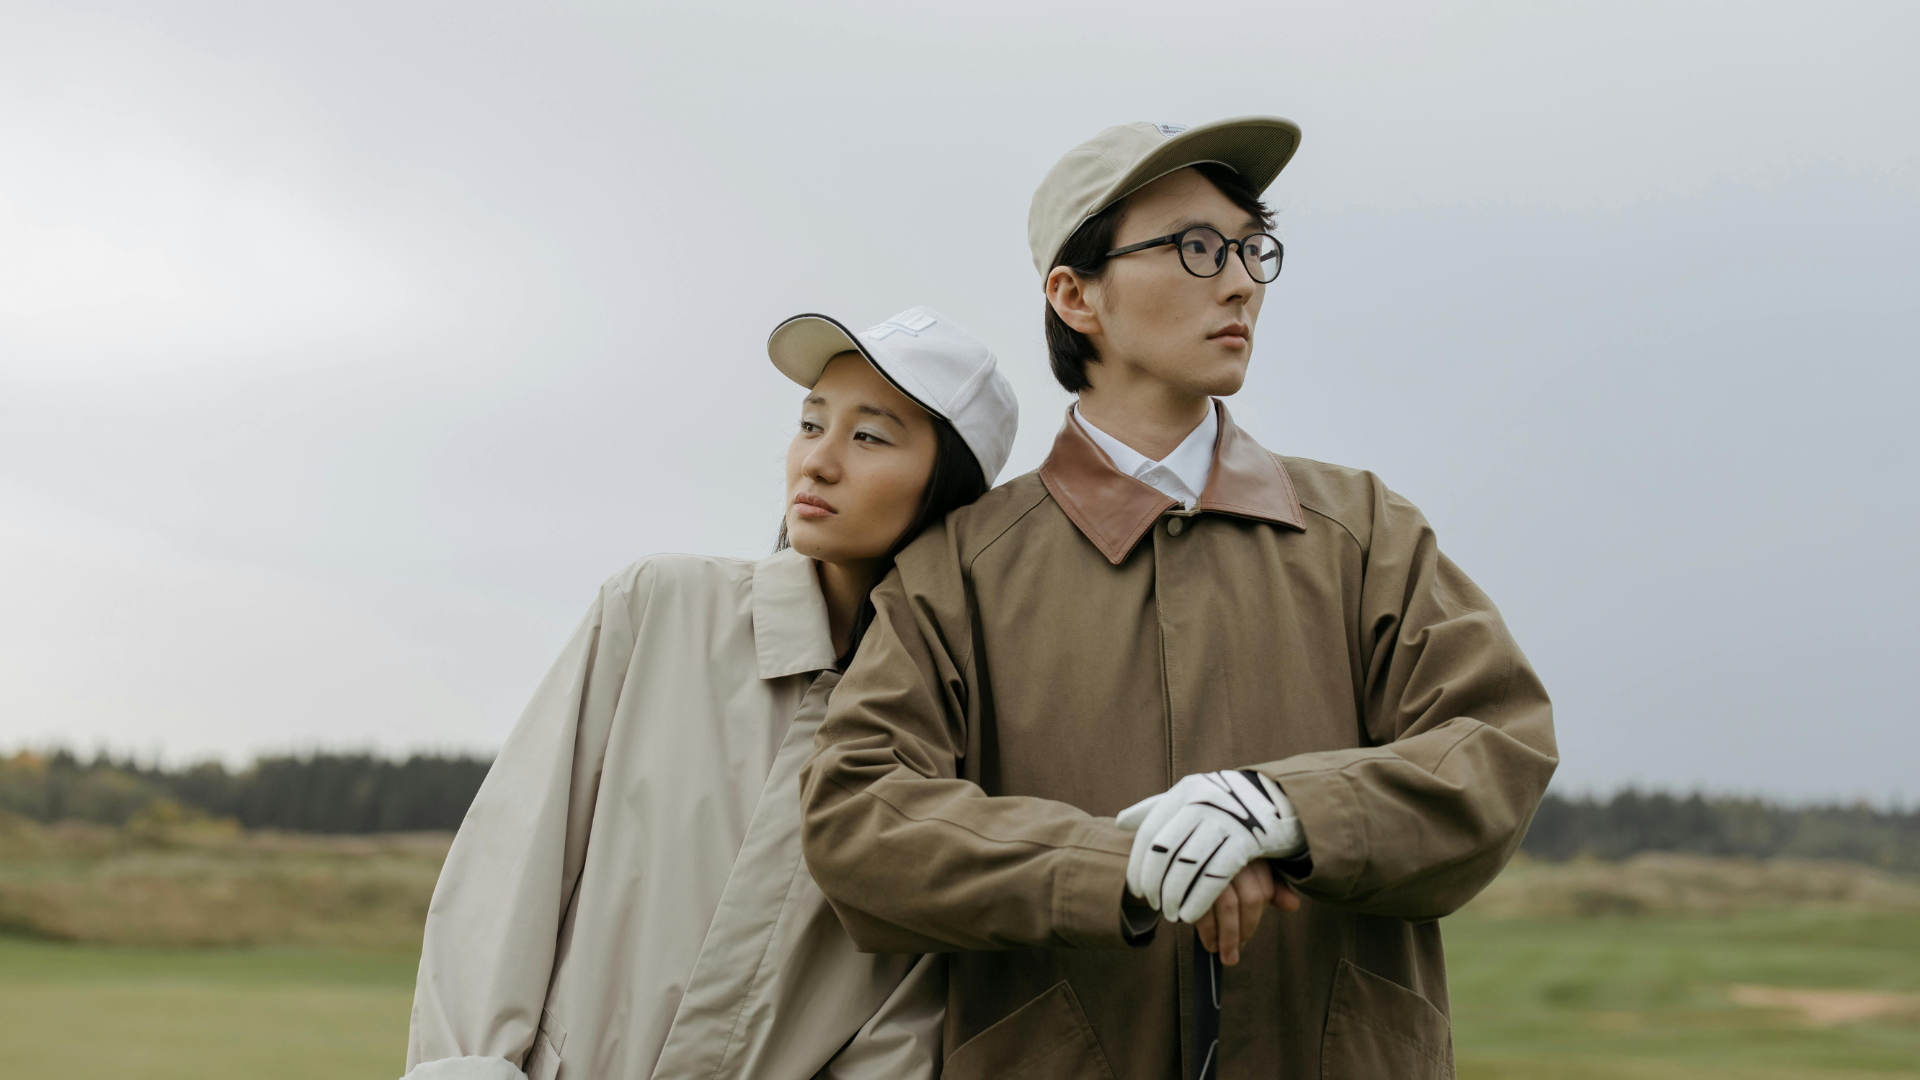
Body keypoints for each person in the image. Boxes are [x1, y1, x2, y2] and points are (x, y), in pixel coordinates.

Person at [799, 118, 1558, 1080]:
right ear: (1076, 296)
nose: (1241, 280)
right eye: (1196, 248)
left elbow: (1498, 743)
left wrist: (1285, 808)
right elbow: (858, 815)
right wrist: (1108, 864)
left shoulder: (1364, 531)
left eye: (1251, 249)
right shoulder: (957, 571)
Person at [403, 306, 1019, 1080]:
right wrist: (468, 1063)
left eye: (869, 437)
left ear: (951, 487)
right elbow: (512, 857)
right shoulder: (661, 606)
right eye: (810, 424)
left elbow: (912, 1011)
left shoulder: (954, 727)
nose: (818, 463)